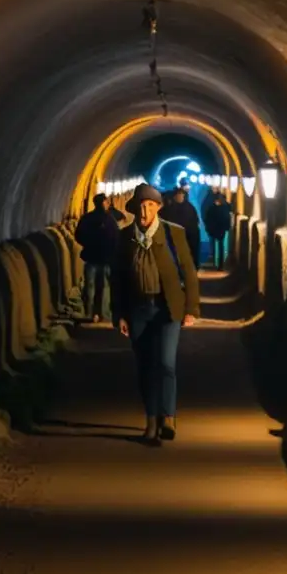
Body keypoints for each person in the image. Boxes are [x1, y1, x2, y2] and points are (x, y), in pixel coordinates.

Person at [111, 183, 200, 445]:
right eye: (140, 205)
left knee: (166, 363)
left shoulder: (174, 235)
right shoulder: (125, 238)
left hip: (167, 308)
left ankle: (168, 417)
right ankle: (151, 420)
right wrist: (120, 314)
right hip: (138, 308)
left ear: (158, 208)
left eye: (150, 205)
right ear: (133, 209)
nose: (144, 210)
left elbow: (189, 272)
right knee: (145, 366)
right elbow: (116, 279)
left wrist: (191, 308)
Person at [74, 194, 119, 322]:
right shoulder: (110, 220)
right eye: (106, 202)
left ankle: (89, 313)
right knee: (103, 287)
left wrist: (88, 244)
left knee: (90, 286)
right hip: (105, 258)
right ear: (104, 203)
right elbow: (116, 238)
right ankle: (101, 313)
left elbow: (78, 235)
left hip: (91, 257)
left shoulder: (86, 219)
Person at [161, 186, 202, 270]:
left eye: (181, 195)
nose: (179, 197)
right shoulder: (171, 208)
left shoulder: (189, 208)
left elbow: (194, 223)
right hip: (177, 237)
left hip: (188, 237)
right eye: (178, 195)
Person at [203, 193, 233, 269]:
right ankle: (220, 264)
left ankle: (216, 261)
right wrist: (227, 227)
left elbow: (208, 218)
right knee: (220, 246)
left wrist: (208, 227)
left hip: (215, 229)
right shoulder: (224, 208)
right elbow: (227, 218)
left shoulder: (212, 208)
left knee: (216, 245)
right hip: (220, 229)